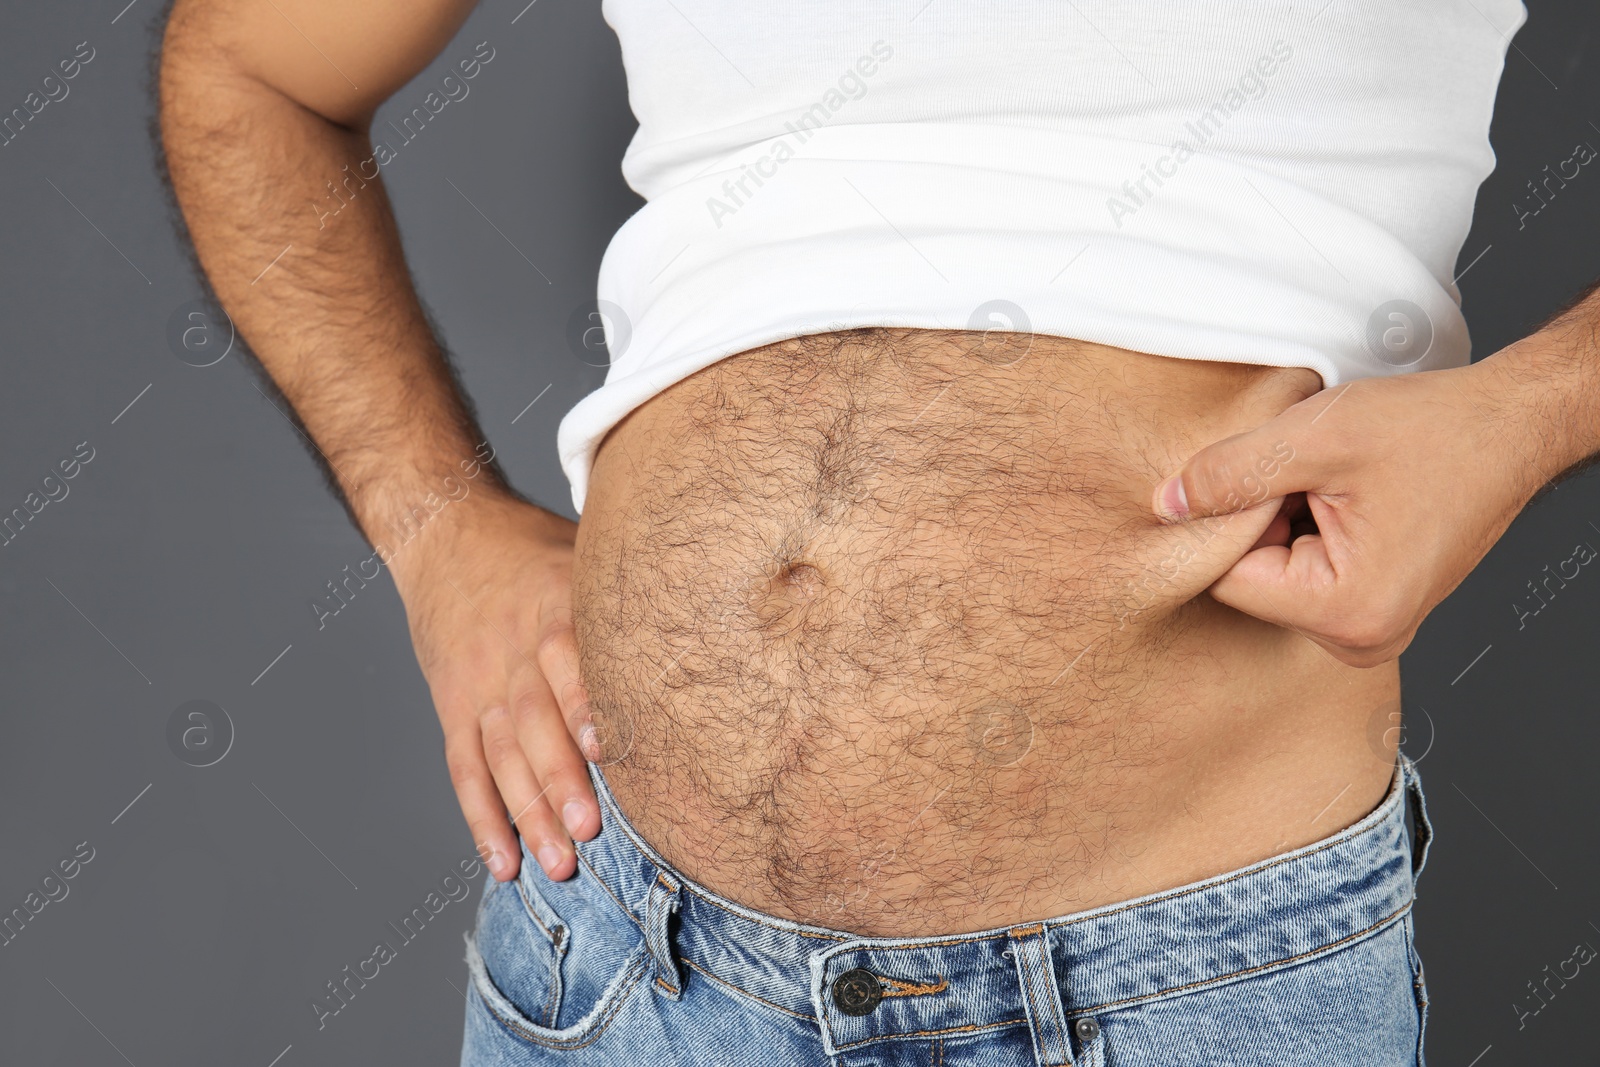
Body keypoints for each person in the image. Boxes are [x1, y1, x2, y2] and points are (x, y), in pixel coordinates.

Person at [160, 0, 1590, 1062]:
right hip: (625, 968)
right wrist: (436, 533)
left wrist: (1530, 408)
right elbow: (250, 71)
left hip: (1172, 992)